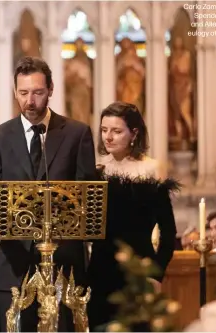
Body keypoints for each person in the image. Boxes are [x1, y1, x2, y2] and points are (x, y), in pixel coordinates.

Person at [0, 56, 97, 332]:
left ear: (51, 90)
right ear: (14, 92)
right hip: (14, 258)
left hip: (63, 261)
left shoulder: (77, 134)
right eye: (23, 93)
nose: (30, 101)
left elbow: (85, 194)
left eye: (37, 92)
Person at [87, 102, 178, 331]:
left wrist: (157, 274)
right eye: (104, 130)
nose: (108, 137)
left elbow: (169, 231)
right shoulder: (96, 170)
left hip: (138, 270)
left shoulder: (152, 169)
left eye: (116, 131)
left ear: (134, 133)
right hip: (100, 270)